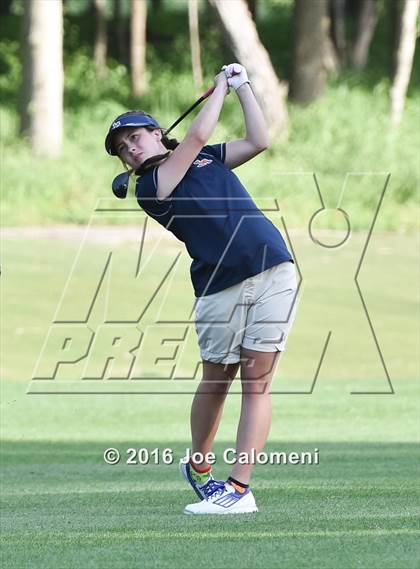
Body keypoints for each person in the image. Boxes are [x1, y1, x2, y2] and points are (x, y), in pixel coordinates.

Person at [105, 64, 298, 515]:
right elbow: (191, 140)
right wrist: (220, 91)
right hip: (217, 286)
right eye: (121, 149)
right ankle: (199, 466)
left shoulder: (209, 156)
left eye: (134, 137)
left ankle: (238, 490)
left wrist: (243, 85)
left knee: (258, 382)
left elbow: (259, 140)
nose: (130, 149)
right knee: (217, 381)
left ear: (156, 133)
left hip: (274, 268)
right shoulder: (151, 187)